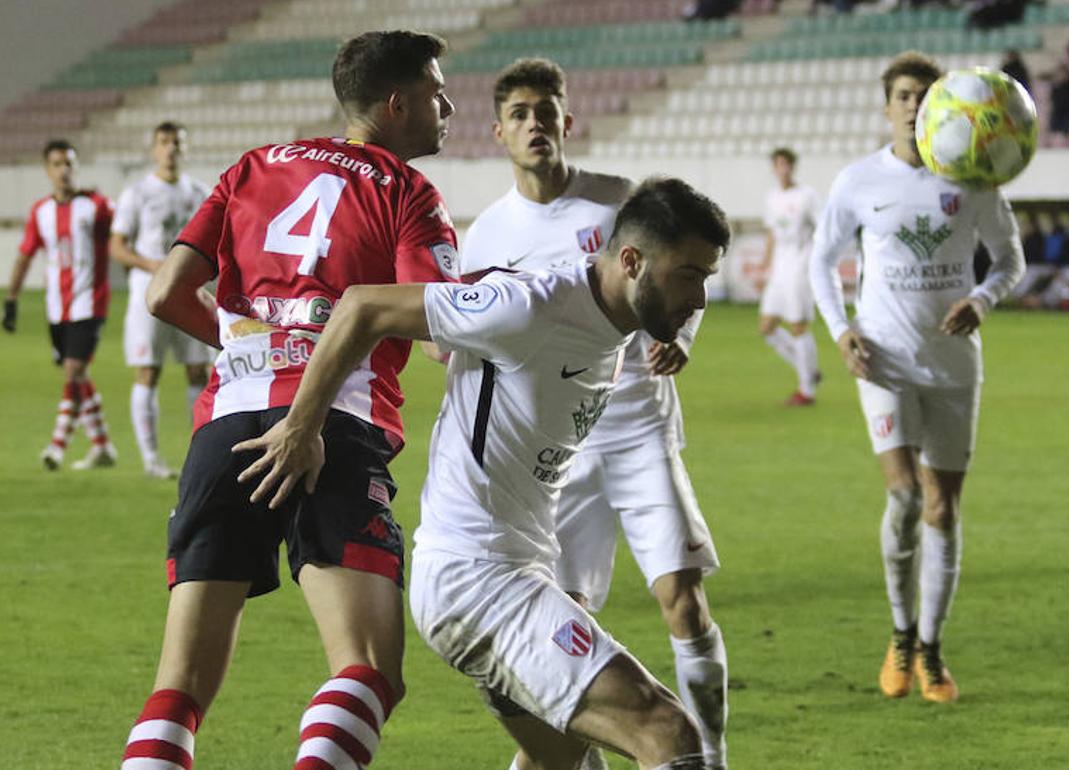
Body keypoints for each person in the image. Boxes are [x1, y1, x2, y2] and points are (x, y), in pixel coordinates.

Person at [237, 176, 730, 770]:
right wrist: (301, 426)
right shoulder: (531, 307)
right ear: (631, 260)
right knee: (668, 734)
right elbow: (363, 306)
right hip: (478, 579)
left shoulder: (611, 325)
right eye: (689, 276)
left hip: (520, 572)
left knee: (565, 764)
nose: (699, 299)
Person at [117, 30, 459, 770]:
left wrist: (257, 349)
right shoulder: (406, 191)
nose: (449, 106)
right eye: (437, 93)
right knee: (367, 669)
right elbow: (440, 332)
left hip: (229, 424)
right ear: (396, 104)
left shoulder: (252, 166)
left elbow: (165, 292)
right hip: (336, 421)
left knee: (178, 689)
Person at [459, 58, 730, 769]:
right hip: (559, 455)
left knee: (684, 603)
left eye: (546, 110)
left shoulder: (618, 203)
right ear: (499, 132)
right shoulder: (486, 236)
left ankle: (711, 755)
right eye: (520, 113)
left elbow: (682, 278)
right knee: (569, 622)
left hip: (640, 429)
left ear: (567, 120)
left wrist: (683, 343)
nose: (535, 123)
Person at [808, 51, 1024, 704]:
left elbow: (1009, 261)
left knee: (943, 508)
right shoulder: (858, 181)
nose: (912, 105)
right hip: (883, 360)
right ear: (887, 106)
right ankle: (900, 634)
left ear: (940, 107)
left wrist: (982, 299)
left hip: (955, 365)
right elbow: (822, 261)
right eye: (902, 95)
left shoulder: (974, 179)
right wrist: (841, 329)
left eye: (923, 95)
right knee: (904, 497)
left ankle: (931, 648)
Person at [5, 138, 117, 471]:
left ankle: (56, 446)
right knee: (77, 375)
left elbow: (122, 235)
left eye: (69, 163)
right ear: (47, 170)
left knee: (74, 370)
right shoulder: (40, 212)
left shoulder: (97, 206)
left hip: (90, 302)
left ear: (77, 166)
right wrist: (11, 298)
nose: (64, 170)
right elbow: (25, 256)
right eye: (57, 164)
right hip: (57, 307)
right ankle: (102, 446)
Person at [110, 122, 214, 479]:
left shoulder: (199, 192)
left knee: (199, 371)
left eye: (177, 143)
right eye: (164, 142)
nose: (171, 149)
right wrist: (153, 264)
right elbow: (117, 247)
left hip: (189, 291)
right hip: (149, 293)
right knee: (148, 371)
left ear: (185, 149)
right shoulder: (137, 192)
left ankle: (197, 457)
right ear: (154, 148)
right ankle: (152, 460)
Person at [759, 147, 823, 407]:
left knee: (798, 326)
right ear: (774, 168)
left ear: (793, 167)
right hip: (779, 268)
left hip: (800, 265)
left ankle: (806, 391)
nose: (782, 169)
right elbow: (772, 233)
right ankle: (808, 368)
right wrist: (765, 264)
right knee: (767, 328)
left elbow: (823, 229)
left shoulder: (807, 196)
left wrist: (818, 262)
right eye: (778, 164)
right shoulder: (772, 198)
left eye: (786, 164)